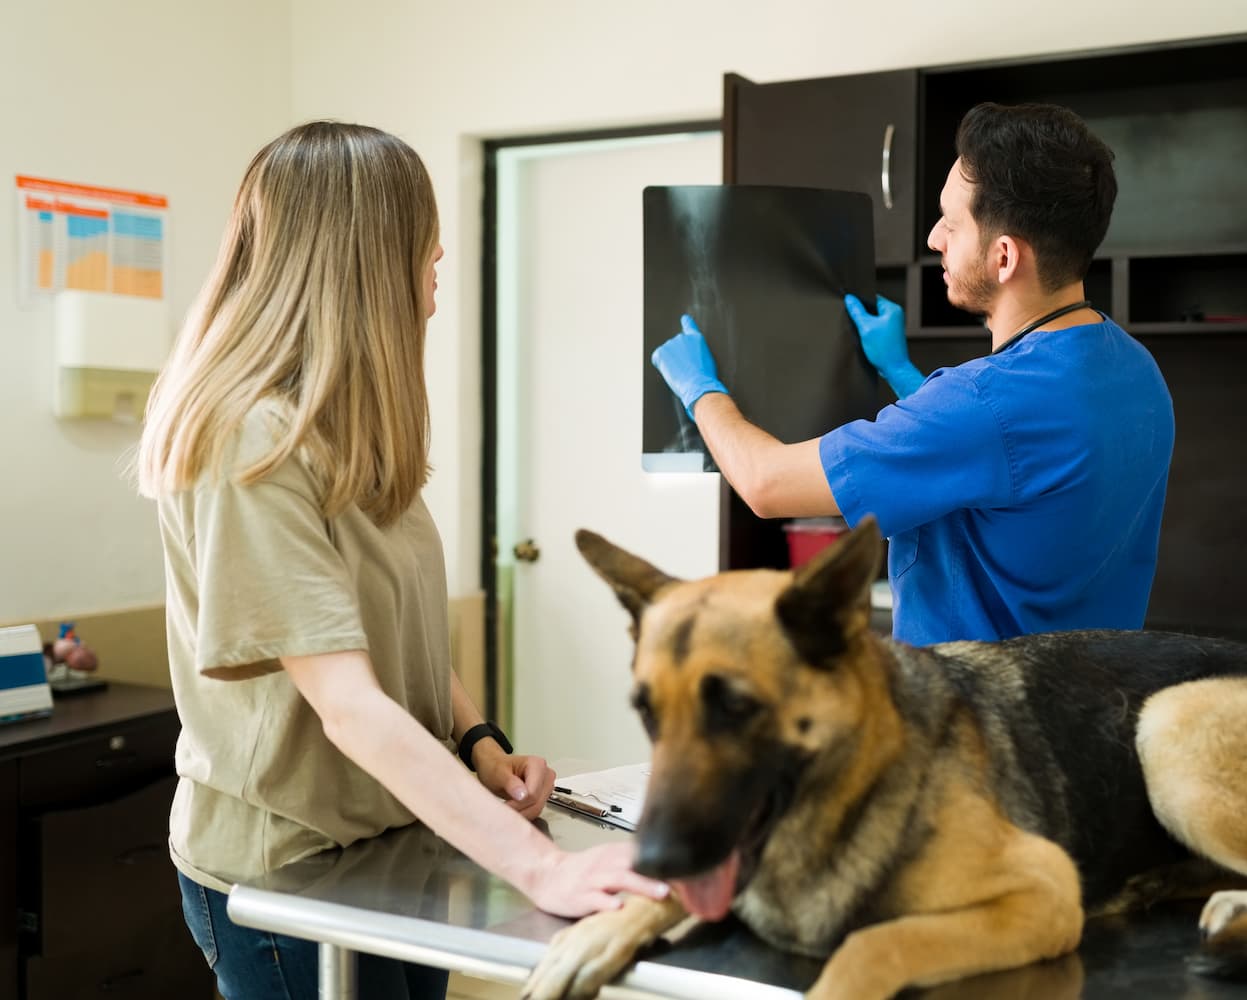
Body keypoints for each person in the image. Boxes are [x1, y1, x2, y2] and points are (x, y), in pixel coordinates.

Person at [136, 121, 667, 1000]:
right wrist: (539, 870)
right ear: (363, 260)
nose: (439, 260)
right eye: (424, 244)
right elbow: (347, 703)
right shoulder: (250, 439)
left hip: (388, 847)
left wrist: (480, 743)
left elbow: (386, 633)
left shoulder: (347, 432)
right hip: (287, 877)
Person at [651, 102, 1175, 646]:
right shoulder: (1136, 371)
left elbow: (766, 484)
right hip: (1083, 706)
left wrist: (700, 389)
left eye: (951, 223)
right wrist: (900, 370)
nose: (933, 238)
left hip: (972, 715)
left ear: (1003, 258)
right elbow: (996, 460)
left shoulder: (981, 404)